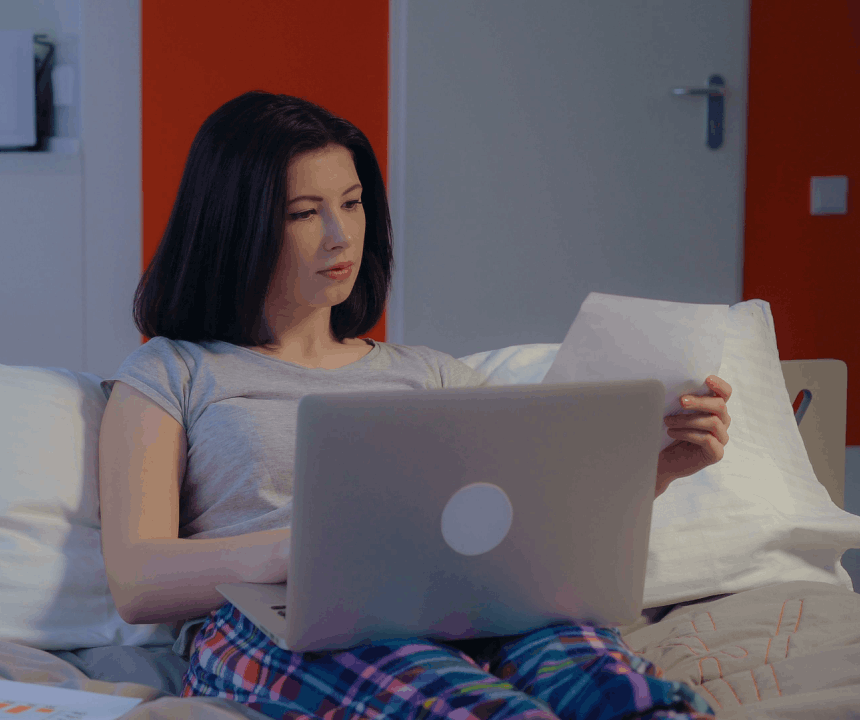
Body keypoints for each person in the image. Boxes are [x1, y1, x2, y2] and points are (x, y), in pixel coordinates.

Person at [98, 91, 731, 720]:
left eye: (351, 203)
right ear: (237, 224)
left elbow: (537, 523)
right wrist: (299, 553)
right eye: (304, 213)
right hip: (276, 620)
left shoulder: (428, 374)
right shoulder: (172, 370)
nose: (340, 235)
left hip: (469, 604)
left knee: (608, 681)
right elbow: (136, 580)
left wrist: (660, 468)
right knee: (450, 700)